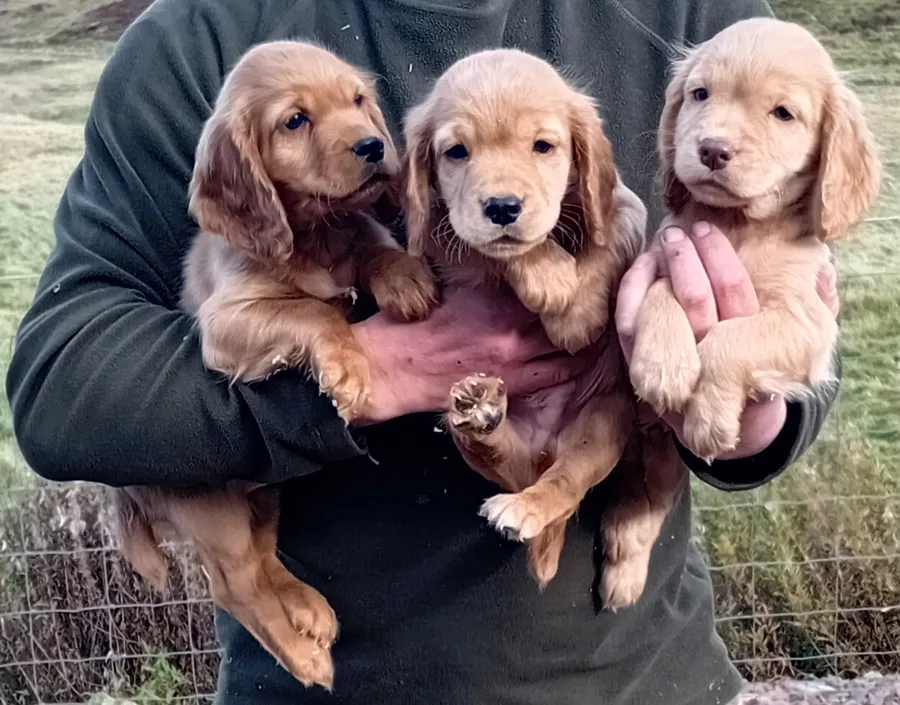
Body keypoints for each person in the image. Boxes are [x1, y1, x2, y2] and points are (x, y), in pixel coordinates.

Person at [5, 1, 841, 703]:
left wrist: (745, 406)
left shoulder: (688, 18)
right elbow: (60, 383)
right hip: (331, 683)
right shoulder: (202, 36)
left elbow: (797, 296)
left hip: (647, 679)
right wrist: (376, 373)